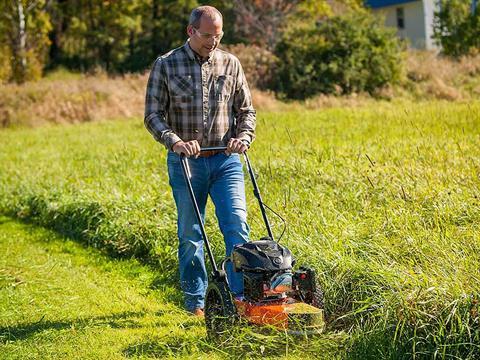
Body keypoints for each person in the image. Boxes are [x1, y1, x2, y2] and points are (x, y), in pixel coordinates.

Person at [144, 5, 256, 317]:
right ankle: (196, 303)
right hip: (186, 164)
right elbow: (152, 115)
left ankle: (240, 299)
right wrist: (175, 141)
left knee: (237, 228)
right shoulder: (166, 64)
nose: (213, 41)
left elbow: (246, 111)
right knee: (191, 234)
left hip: (225, 161)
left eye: (218, 35)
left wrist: (243, 138)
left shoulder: (230, 63)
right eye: (207, 35)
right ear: (191, 32)